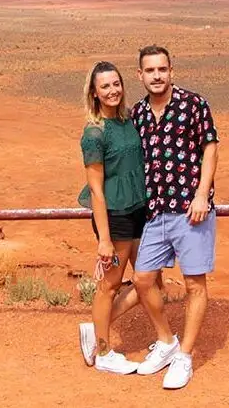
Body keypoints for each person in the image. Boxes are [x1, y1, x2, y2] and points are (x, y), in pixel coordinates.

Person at [129, 45, 220, 390]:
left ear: (171, 71)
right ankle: (166, 341)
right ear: (140, 75)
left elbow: (210, 147)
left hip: (190, 211)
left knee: (195, 284)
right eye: (150, 70)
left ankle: (184, 356)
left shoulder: (193, 104)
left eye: (162, 69)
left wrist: (201, 194)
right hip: (156, 211)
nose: (157, 76)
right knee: (142, 279)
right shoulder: (137, 113)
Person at [74, 61, 149, 374]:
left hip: (138, 208)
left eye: (116, 83)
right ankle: (104, 353)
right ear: (94, 92)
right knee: (110, 284)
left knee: (148, 278)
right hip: (114, 215)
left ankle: (96, 328)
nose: (112, 90)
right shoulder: (94, 134)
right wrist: (104, 239)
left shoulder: (128, 118)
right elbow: (96, 192)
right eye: (104, 86)